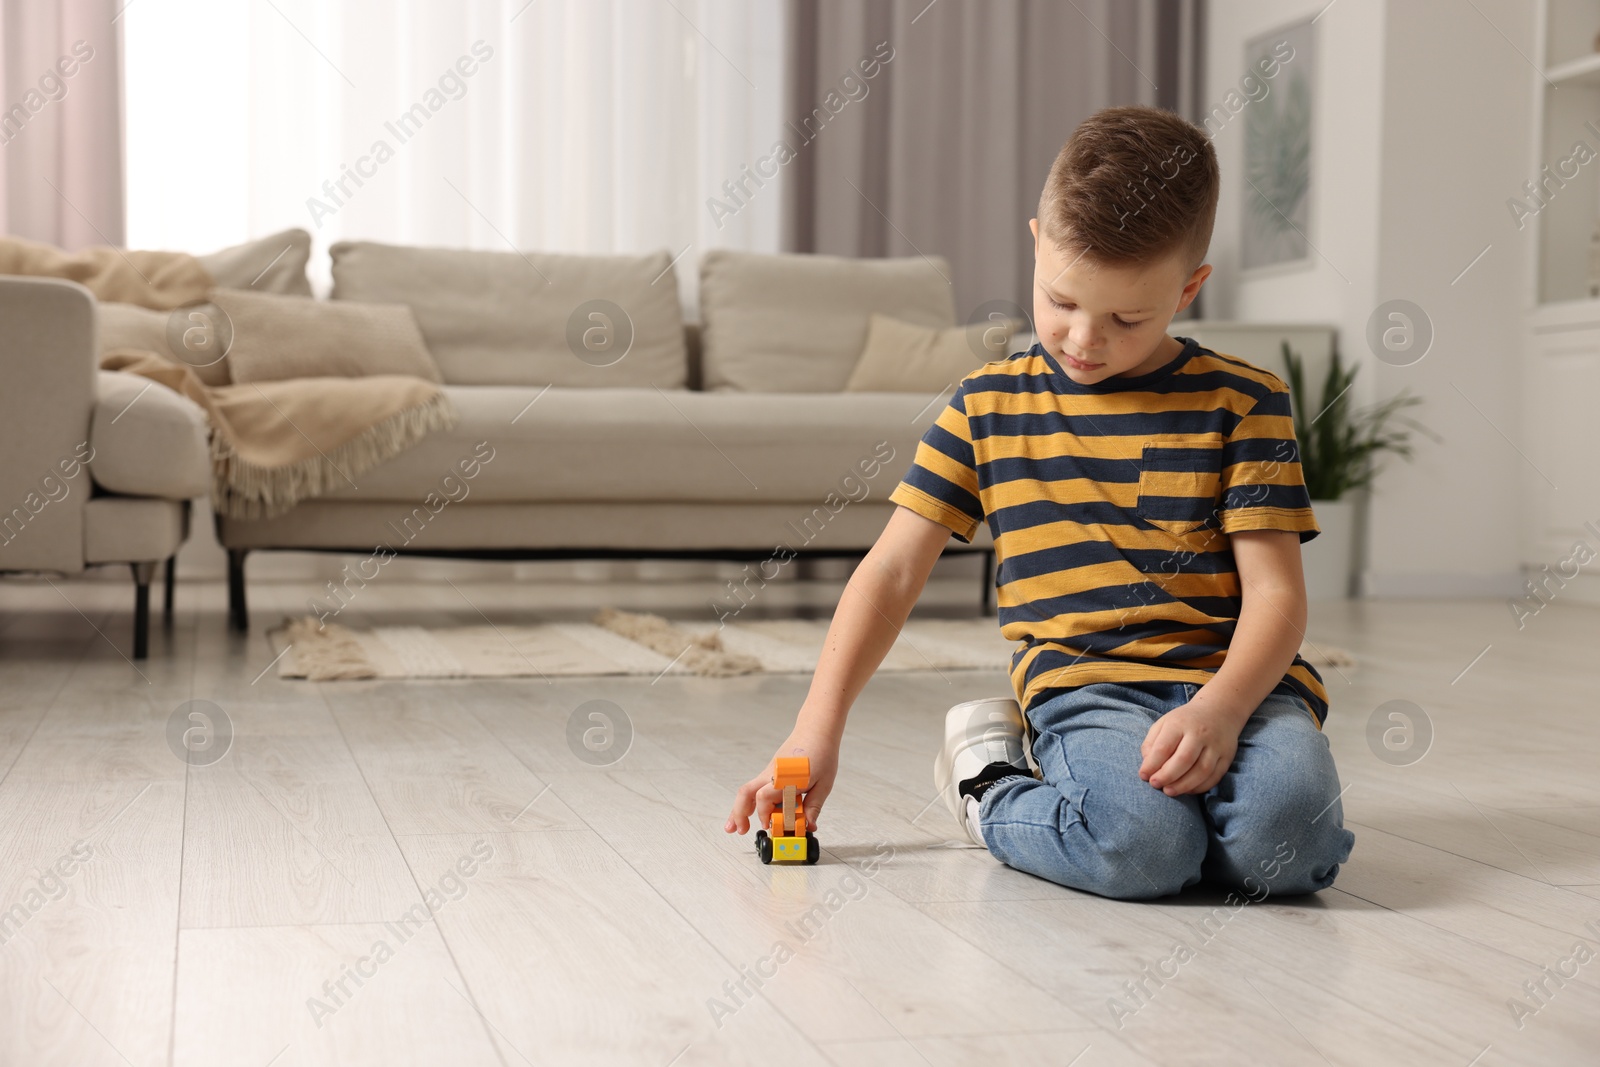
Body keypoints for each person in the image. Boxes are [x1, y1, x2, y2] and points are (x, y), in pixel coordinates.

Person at [723, 104, 1354, 900]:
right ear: (1035, 244)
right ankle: (989, 780)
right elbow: (889, 574)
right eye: (1060, 301)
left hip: (1245, 684)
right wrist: (816, 729)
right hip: (1089, 685)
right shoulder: (985, 408)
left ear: (1189, 287)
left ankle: (1197, 823)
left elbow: (1276, 595)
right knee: (1145, 853)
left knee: (1288, 849)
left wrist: (1223, 709)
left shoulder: (1244, 401)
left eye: (1128, 317)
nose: (1085, 340)